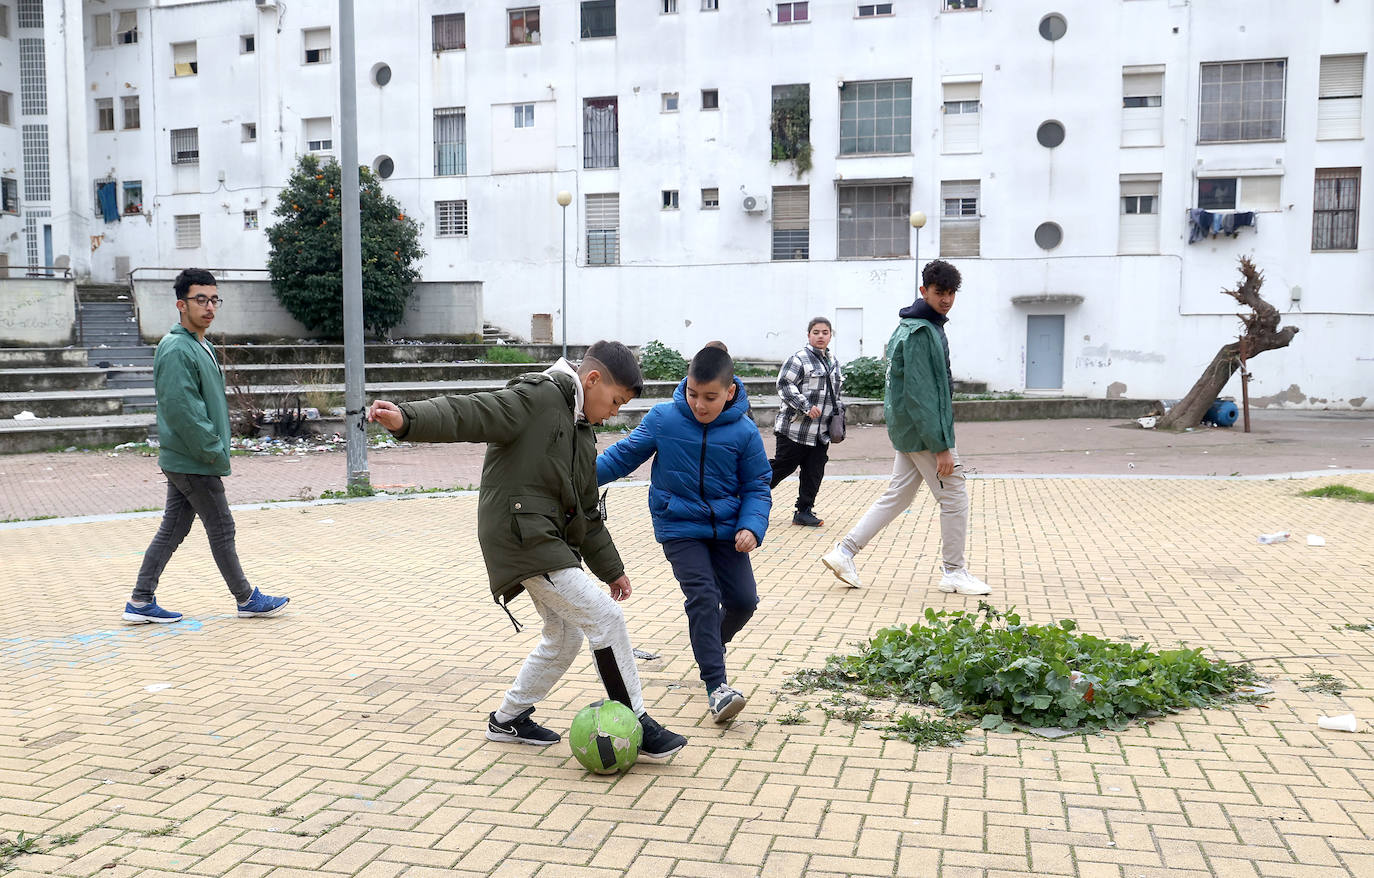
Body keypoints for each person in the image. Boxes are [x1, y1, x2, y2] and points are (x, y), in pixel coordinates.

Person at [366, 341, 688, 759]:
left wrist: (612, 569)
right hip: (523, 535)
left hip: (544, 538)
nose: (613, 412)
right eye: (615, 401)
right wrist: (408, 418)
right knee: (605, 618)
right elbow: (473, 411)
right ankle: (637, 723)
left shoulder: (581, 432)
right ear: (592, 380)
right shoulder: (538, 397)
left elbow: (587, 512)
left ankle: (508, 719)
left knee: (565, 635)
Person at [596, 344, 772, 724]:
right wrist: (574, 478)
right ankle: (717, 688)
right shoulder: (664, 419)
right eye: (693, 394)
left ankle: (712, 644)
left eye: (710, 397)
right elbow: (622, 456)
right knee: (704, 595)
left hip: (728, 531)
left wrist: (751, 526)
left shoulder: (744, 432)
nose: (699, 405)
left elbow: (758, 484)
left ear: (730, 392)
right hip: (678, 526)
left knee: (744, 602)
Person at [123, 269, 290, 624]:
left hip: (189, 455)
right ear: (181, 304)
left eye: (214, 299)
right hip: (193, 457)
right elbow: (184, 410)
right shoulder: (176, 348)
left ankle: (140, 601)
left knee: (174, 528)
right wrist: (213, 450)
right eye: (201, 299)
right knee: (222, 527)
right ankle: (245, 598)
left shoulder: (201, 344)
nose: (209, 306)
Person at [820, 260, 992, 596]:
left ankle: (844, 552)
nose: (946, 299)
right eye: (940, 292)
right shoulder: (919, 332)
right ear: (924, 291)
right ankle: (954, 572)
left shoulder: (915, 326)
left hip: (910, 431)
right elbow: (921, 394)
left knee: (898, 496)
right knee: (954, 495)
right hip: (924, 432)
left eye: (951, 293)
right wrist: (942, 446)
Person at [770, 317, 843, 527]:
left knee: (814, 471)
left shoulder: (834, 362)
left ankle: (804, 511)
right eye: (816, 332)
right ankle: (748, 494)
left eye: (825, 332)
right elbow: (784, 385)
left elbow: (835, 393)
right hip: (794, 428)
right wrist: (805, 406)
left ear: (830, 335)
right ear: (809, 335)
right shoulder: (798, 359)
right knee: (784, 466)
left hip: (820, 431)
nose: (821, 336)